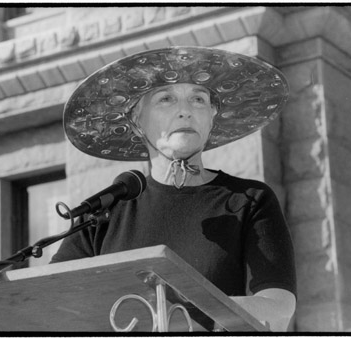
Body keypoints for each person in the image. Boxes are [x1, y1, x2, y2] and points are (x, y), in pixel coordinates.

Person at [51, 46, 296, 332]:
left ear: (212, 117)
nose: (185, 111)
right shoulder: (103, 212)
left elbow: (278, 309)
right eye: (166, 99)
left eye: (198, 99)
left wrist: (181, 316)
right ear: (136, 122)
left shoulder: (249, 200)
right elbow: (53, 299)